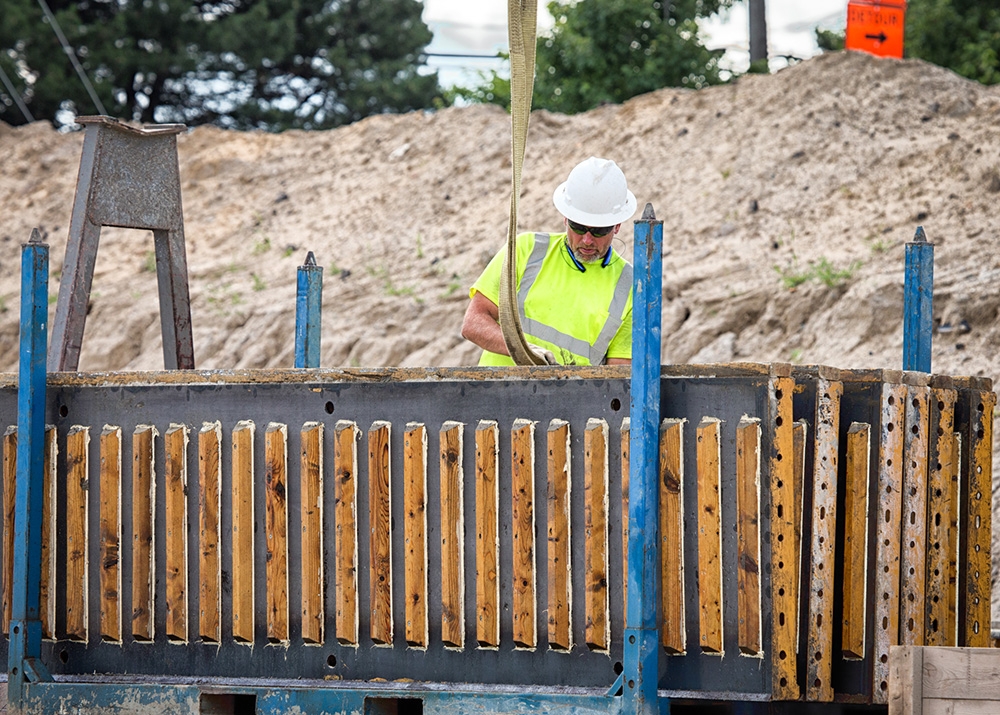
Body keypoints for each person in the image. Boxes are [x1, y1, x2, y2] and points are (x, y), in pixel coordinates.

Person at [462, 157, 636, 366]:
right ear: (565, 217)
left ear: (617, 225)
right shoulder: (526, 250)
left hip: (567, 399)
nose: (587, 240)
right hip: (495, 395)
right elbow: (473, 322)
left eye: (599, 230)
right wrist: (523, 349)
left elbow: (618, 376)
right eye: (578, 227)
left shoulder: (629, 285)